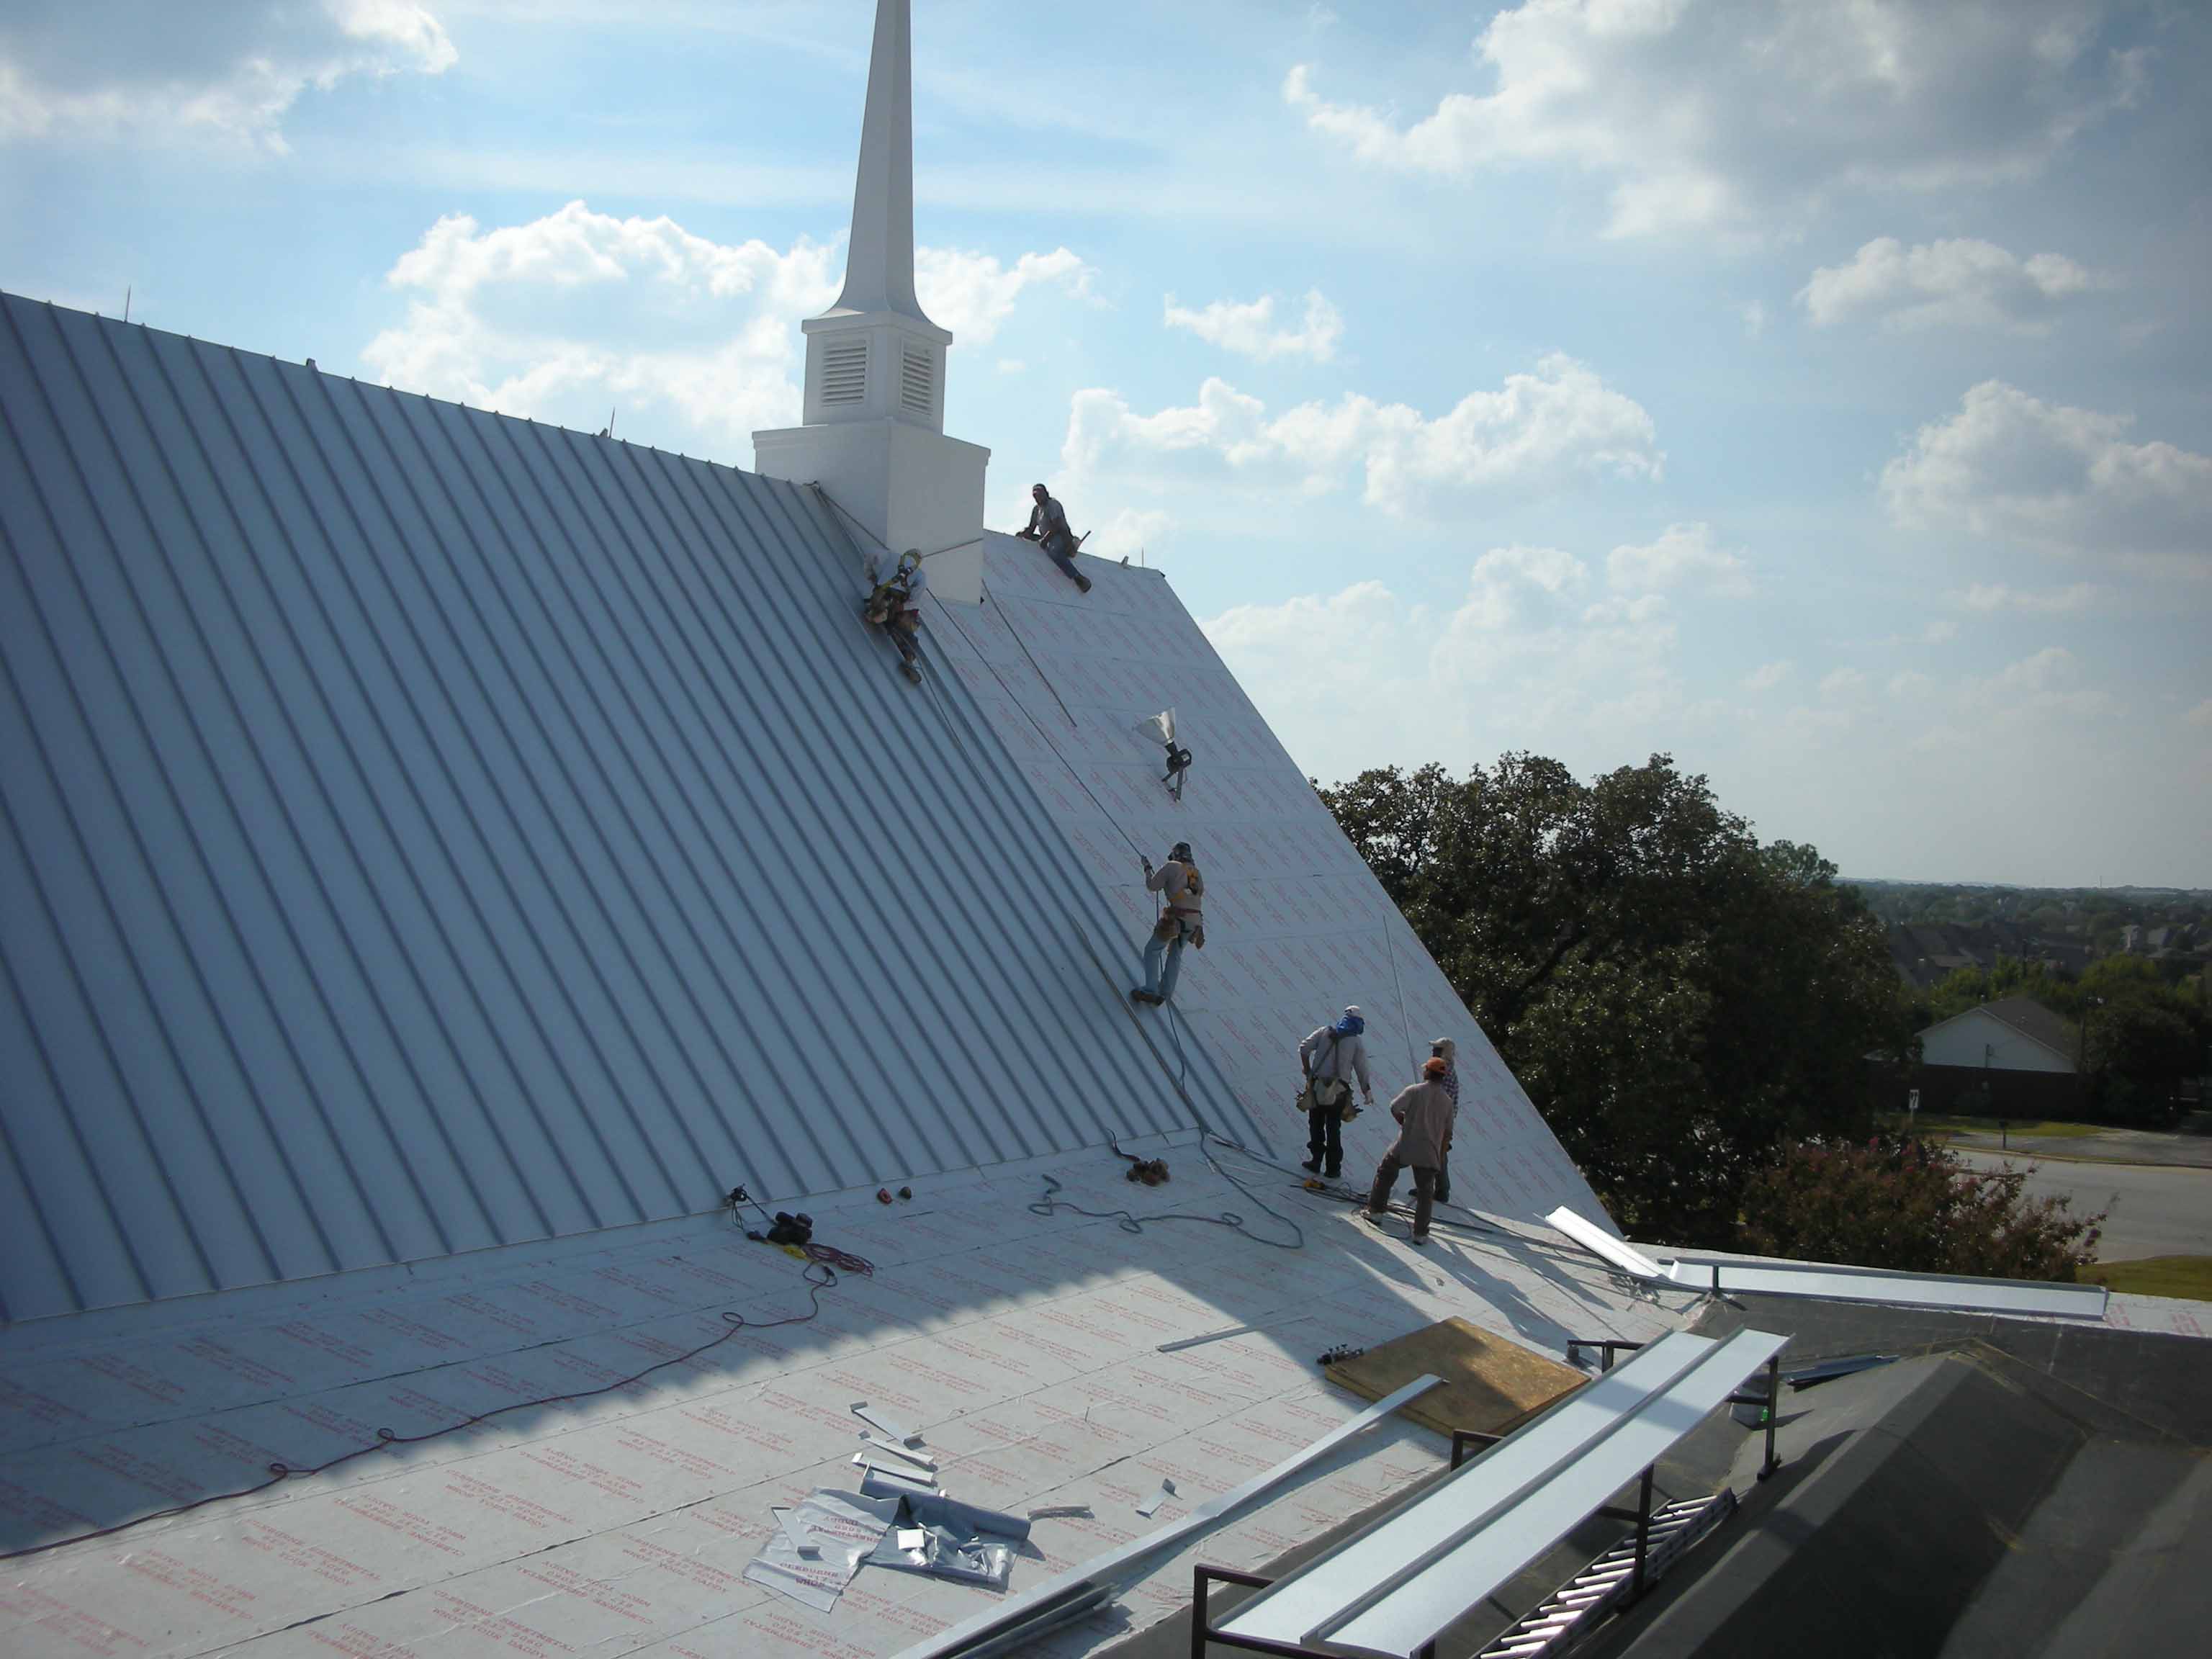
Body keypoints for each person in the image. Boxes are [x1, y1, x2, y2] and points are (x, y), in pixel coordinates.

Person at [1364, 1057, 1457, 1246]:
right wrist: (1439, 1157)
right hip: (1429, 1150)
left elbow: (1394, 1107)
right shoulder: (1447, 1102)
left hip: (1406, 1144)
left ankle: (1376, 1212)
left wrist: (1403, 1122)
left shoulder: (1414, 1090)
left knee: (1386, 1172)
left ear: (1427, 1073)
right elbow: (1448, 1133)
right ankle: (1420, 1234)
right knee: (1425, 1193)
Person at [1298, 1007, 1375, 1179]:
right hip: (1339, 1091)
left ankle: (1315, 1161)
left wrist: (1308, 1070)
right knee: (1333, 1128)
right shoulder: (1356, 1042)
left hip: (1317, 1087)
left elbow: (1304, 1048)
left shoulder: (1324, 1031)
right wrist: (1366, 1091)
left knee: (1316, 1124)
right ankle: (1333, 1169)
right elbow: (1362, 1069)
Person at [1129, 842, 1202, 1007]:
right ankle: (1165, 993)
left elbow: (1152, 886)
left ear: (1175, 855)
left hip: (1176, 918)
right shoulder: (1196, 873)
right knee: (1176, 954)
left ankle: (1150, 990)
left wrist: (1147, 869)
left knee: (1152, 950)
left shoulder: (1172, 866)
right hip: (1195, 923)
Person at [863, 549, 928, 682]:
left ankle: (878, 612)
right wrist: (902, 607)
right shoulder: (920, 575)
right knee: (908, 636)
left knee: (880, 605)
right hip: (897, 607)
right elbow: (914, 600)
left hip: (880, 595)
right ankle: (909, 661)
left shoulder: (890, 555)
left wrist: (871, 576)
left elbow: (872, 555)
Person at [1016, 482, 1091, 593]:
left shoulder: (1053, 505)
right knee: (1031, 540)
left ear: (1046, 494)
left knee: (1054, 551)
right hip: (1046, 536)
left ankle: (1078, 578)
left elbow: (1056, 526)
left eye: (1040, 494)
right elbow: (1032, 528)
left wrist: (1044, 540)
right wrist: (1023, 534)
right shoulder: (1037, 510)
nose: (1038, 498)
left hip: (1061, 536)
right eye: (1035, 496)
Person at [1429, 1036, 1458, 1205]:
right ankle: (1436, 1188)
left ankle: (1439, 1190)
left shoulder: (1444, 1071)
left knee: (1436, 1154)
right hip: (1441, 1120)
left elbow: (1440, 1099)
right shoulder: (1445, 1069)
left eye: (1437, 1049)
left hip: (1439, 1120)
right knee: (1437, 1153)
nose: (1433, 1051)